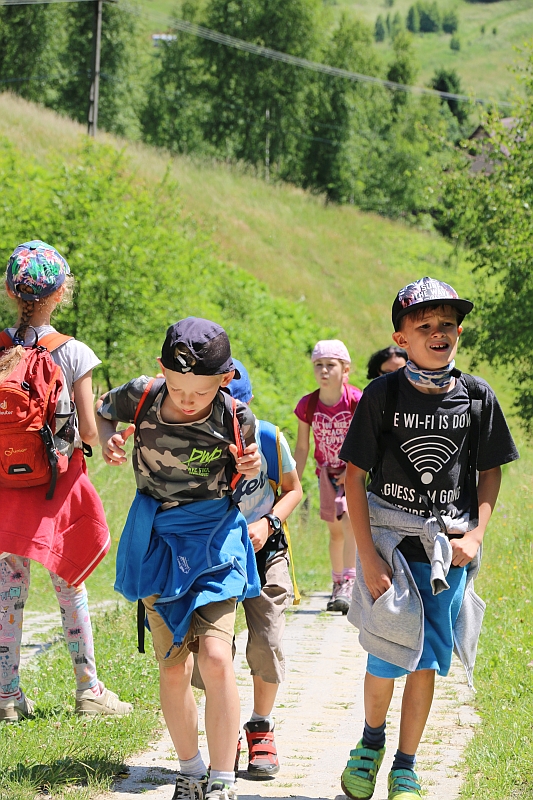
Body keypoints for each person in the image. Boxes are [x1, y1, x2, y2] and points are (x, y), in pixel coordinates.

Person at [338, 277, 519, 800]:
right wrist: (367, 557)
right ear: (401, 338)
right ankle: (371, 742)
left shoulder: (477, 396)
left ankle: (405, 765)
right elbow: (354, 476)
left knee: (425, 663)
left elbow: (489, 471)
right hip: (391, 548)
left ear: (458, 332)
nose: (438, 333)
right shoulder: (383, 393)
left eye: (447, 325)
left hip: (446, 552)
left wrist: (477, 535)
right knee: (385, 654)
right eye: (424, 326)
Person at [96, 318, 262, 800]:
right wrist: (108, 436)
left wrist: (252, 465)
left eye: (201, 390)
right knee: (173, 664)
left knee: (215, 656)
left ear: (225, 380)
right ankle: (190, 771)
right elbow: (105, 411)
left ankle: (223, 777)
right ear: (161, 370)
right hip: (157, 538)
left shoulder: (235, 415)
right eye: (179, 385)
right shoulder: (141, 395)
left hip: (214, 538)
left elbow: (251, 471)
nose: (188, 398)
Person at [0, 240, 132, 723]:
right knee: (69, 583)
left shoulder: (0, 350)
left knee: (9, 587)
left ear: (12, 294)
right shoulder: (73, 352)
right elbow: (89, 433)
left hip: (7, 488)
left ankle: (6, 695)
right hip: (57, 489)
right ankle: (89, 690)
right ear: (61, 294)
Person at [227, 360, 302, 777]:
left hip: (265, 549)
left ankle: (261, 727)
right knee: (213, 648)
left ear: (249, 403)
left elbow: (294, 490)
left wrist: (268, 522)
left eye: (239, 405)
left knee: (267, 637)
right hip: (213, 555)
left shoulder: (270, 439)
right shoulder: (194, 442)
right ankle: (225, 730)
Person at [294, 340, 362, 613]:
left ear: (345, 369)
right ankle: (337, 582)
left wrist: (353, 469)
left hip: (353, 472)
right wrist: (292, 482)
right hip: (326, 474)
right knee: (335, 532)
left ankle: (350, 583)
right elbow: (302, 447)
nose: (324, 371)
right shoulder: (308, 405)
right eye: (318, 365)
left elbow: (368, 440)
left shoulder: (356, 400)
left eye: (330, 365)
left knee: (349, 524)